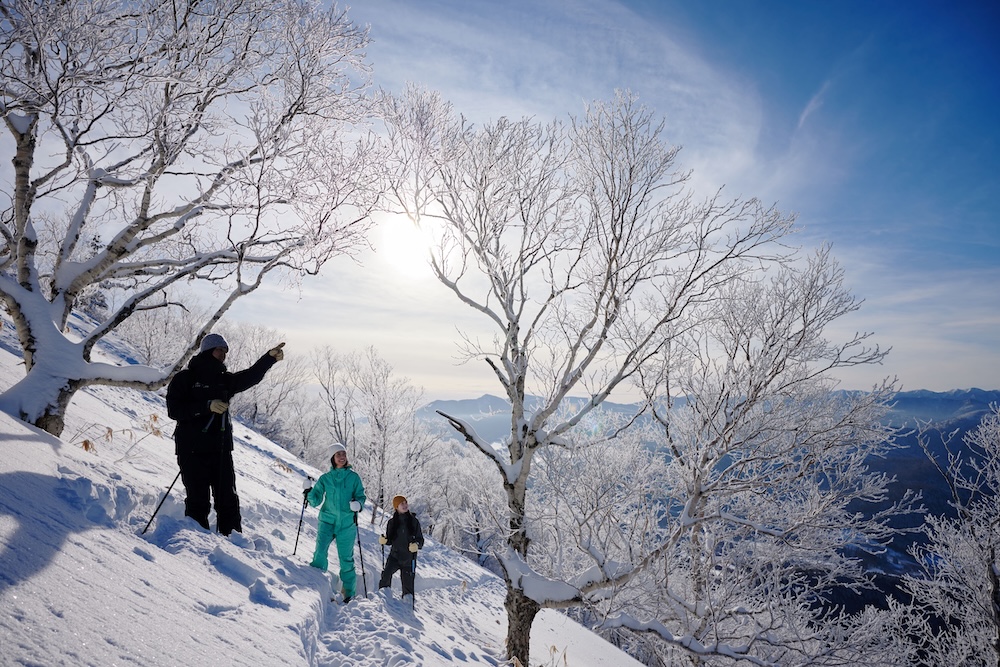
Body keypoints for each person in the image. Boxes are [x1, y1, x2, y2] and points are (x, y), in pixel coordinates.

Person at [166, 333, 284, 536]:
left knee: (228, 498)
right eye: (219, 349)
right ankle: (196, 540)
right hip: (192, 448)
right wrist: (206, 406)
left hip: (220, 448)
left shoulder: (224, 380)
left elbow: (250, 377)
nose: (223, 354)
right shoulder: (185, 378)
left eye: (225, 351)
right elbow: (174, 410)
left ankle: (234, 542)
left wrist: (269, 358)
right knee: (197, 499)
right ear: (207, 351)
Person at [305, 443, 367, 602]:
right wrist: (308, 491)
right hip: (327, 520)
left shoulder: (353, 477)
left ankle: (348, 593)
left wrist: (358, 504)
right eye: (338, 454)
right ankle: (317, 584)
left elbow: (361, 496)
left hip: (347, 524)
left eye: (343, 454)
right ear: (332, 458)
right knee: (320, 552)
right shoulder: (325, 478)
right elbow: (315, 500)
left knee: (346, 559)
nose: (341, 457)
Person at [378, 495, 424, 600]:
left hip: (409, 559)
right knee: (386, 576)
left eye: (405, 502)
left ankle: (407, 604)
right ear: (396, 507)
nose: (405, 505)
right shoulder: (392, 522)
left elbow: (420, 540)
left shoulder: (414, 521)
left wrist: (416, 545)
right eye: (401, 503)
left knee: (408, 585)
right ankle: (383, 598)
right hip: (394, 556)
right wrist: (384, 540)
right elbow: (390, 539)